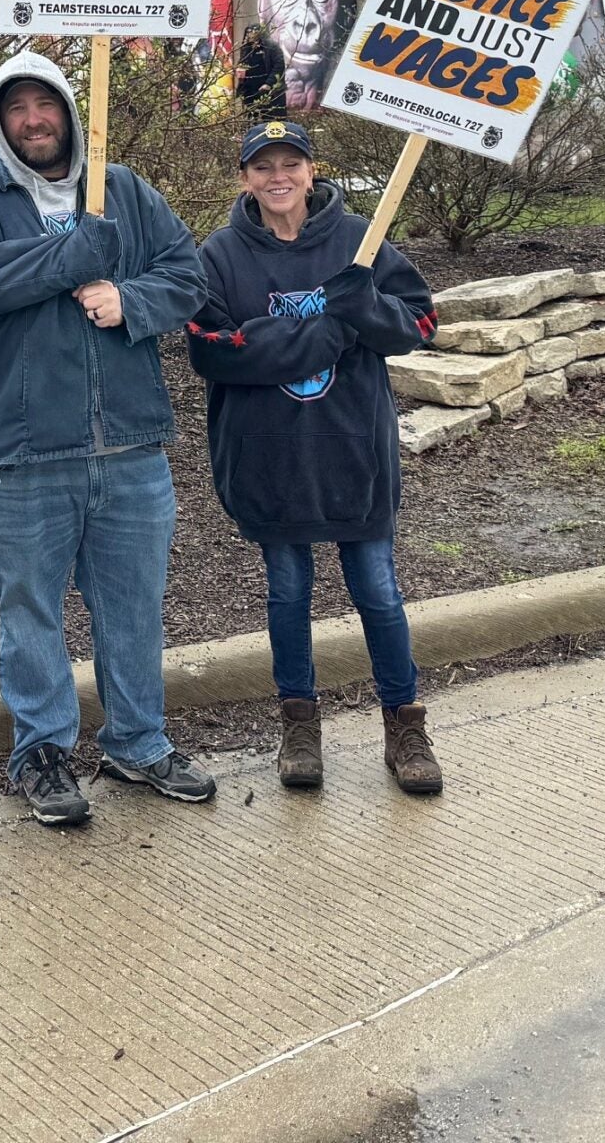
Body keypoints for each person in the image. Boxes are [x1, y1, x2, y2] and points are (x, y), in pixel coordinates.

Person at [0, 50, 215, 826]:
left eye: (45, 103)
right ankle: (42, 752)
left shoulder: (123, 190)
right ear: (1, 122)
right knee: (30, 614)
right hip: (23, 451)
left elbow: (187, 275)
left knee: (134, 608)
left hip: (130, 445)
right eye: (17, 108)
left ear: (68, 109)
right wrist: (71, 256)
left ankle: (139, 742)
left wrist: (131, 299)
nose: (33, 120)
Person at [187, 120, 444, 796]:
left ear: (311, 170)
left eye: (290, 164)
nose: (279, 177)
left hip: (354, 451)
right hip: (269, 459)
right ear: (245, 178)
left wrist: (369, 307)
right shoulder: (220, 255)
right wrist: (333, 330)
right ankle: (299, 726)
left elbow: (418, 324)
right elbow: (212, 349)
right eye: (263, 166)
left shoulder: (361, 239)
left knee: (378, 592)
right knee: (288, 593)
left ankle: (405, 725)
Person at [236, 23, 287, 119]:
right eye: (249, 32)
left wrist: (269, 83)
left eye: (254, 31)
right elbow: (242, 63)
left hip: (267, 89)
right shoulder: (246, 47)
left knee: (271, 118)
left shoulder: (271, 47)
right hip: (250, 90)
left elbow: (279, 66)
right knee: (252, 118)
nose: (251, 34)